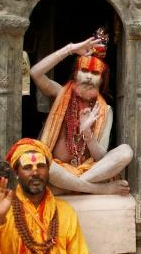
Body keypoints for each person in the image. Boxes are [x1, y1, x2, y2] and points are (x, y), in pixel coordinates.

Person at [30, 28, 132, 195]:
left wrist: (88, 134)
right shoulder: (59, 93)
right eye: (84, 71)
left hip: (88, 172)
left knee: (125, 151)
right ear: (75, 74)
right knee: (43, 162)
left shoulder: (105, 110)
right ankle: (97, 190)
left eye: (95, 73)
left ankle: (69, 187)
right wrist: (70, 49)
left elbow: (101, 158)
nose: (89, 77)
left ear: (101, 79)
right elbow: (35, 73)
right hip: (57, 172)